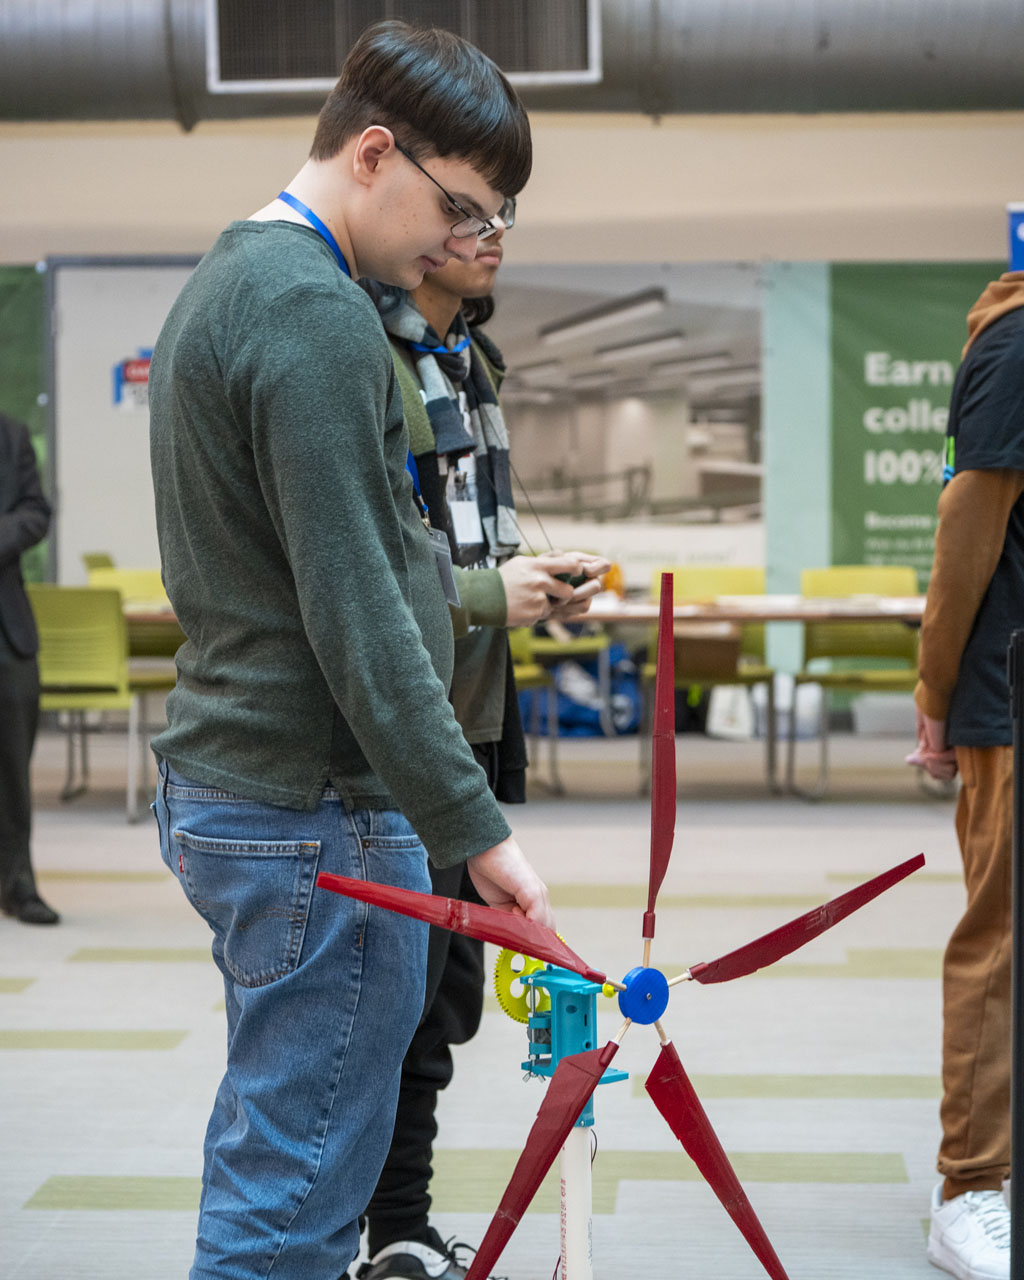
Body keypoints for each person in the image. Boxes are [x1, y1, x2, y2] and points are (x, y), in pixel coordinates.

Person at [147, 22, 556, 1280]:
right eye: (458, 208)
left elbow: (358, 562)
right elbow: (360, 614)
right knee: (293, 1202)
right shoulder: (314, 314)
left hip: (253, 786)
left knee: (279, 1147)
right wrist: (474, 828)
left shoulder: (236, 280)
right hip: (314, 803)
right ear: (374, 154)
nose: (461, 241)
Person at [356, 219, 609, 1280]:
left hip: (470, 713)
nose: (491, 230)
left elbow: (461, 541)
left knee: (441, 1001)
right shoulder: (363, 354)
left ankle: (398, 1229)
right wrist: (484, 593)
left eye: (503, 209)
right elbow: (368, 574)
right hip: (400, 722)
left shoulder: (470, 358)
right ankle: (376, 1230)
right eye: (466, 208)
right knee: (385, 1005)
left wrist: (527, 585)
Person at [907, 270, 1024, 1280]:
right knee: (1003, 940)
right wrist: (934, 690)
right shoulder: (1018, 343)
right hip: (1010, 697)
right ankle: (970, 1185)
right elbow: (967, 524)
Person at [0, 412, 58, 926]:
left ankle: (17, 881)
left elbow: (36, 511)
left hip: (7, 628)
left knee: (12, 766)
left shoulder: (11, 434)